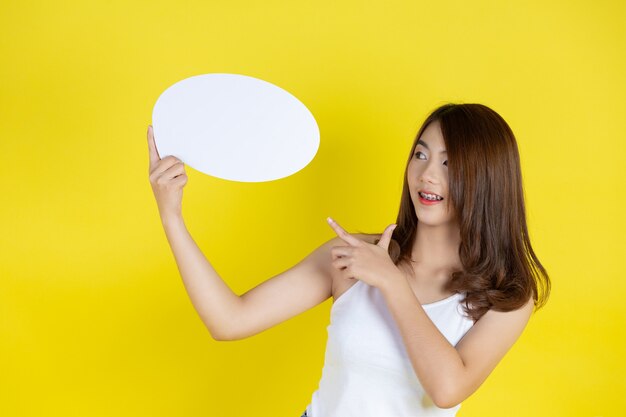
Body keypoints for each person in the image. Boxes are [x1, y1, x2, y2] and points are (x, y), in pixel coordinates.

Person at [147, 102, 551, 417]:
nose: (427, 175)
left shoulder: (508, 296)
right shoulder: (352, 256)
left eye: (449, 163)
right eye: (421, 155)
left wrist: (391, 282)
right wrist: (171, 217)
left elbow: (446, 389)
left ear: (487, 180)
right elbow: (228, 320)